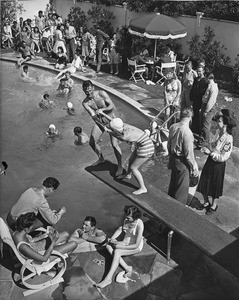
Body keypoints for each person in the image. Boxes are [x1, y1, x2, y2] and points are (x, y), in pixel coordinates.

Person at [196, 109, 236, 214]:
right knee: (205, 180)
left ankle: (213, 205)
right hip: (211, 161)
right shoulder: (218, 132)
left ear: (225, 124)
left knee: (214, 184)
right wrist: (206, 148)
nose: (217, 123)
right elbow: (213, 145)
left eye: (219, 121)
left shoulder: (229, 139)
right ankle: (205, 202)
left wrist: (210, 153)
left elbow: (224, 157)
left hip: (218, 164)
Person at [103, 116, 155, 195]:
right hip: (142, 144)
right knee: (131, 160)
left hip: (146, 148)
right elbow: (114, 121)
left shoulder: (125, 136)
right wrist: (102, 113)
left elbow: (114, 134)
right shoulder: (125, 125)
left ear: (115, 129)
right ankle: (128, 175)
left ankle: (143, 188)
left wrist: (107, 130)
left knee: (134, 168)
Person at [95, 205, 144, 289]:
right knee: (108, 247)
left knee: (117, 251)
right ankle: (127, 267)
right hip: (125, 242)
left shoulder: (139, 225)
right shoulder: (126, 219)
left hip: (135, 246)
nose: (126, 219)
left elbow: (136, 245)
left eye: (128, 218)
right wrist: (112, 239)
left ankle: (108, 279)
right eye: (126, 216)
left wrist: (120, 248)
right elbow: (120, 229)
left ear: (135, 217)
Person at [82, 80, 123, 175]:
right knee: (92, 142)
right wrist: (102, 127)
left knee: (114, 144)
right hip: (100, 121)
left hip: (111, 120)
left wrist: (102, 110)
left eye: (90, 90)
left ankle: (120, 165)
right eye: (86, 91)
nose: (88, 93)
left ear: (93, 88)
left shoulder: (101, 94)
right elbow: (93, 116)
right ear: (83, 90)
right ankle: (101, 158)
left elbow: (112, 105)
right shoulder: (85, 103)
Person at [12, 212, 77, 263]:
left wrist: (43, 236)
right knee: (74, 244)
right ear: (26, 229)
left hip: (35, 246)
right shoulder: (23, 247)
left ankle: (62, 249)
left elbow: (30, 240)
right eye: (31, 226)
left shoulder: (17, 233)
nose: (32, 227)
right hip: (42, 255)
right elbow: (44, 258)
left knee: (65, 234)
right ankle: (61, 263)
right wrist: (53, 242)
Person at [167, 107, 199, 204]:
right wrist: (194, 167)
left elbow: (169, 144)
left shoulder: (173, 126)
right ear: (190, 117)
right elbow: (189, 155)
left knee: (173, 185)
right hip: (182, 161)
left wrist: (170, 159)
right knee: (181, 190)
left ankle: (167, 206)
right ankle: (178, 212)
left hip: (173, 158)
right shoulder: (187, 132)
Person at [199, 73, 219, 146]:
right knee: (203, 123)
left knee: (206, 125)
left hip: (209, 108)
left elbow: (211, 101)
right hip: (204, 105)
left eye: (205, 78)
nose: (204, 79)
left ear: (208, 78)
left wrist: (206, 111)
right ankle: (202, 138)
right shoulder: (209, 86)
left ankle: (205, 142)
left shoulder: (213, 88)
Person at [190, 66, 208, 135]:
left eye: (200, 71)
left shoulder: (204, 81)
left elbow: (205, 92)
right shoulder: (196, 79)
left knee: (199, 116)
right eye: (197, 71)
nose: (198, 73)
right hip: (195, 100)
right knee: (194, 114)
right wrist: (191, 97)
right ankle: (193, 128)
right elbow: (193, 88)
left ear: (203, 71)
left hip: (200, 101)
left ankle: (198, 130)